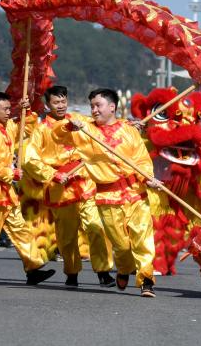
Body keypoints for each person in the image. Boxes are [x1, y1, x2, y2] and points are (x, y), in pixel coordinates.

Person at [55, 89, 159, 298]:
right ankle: (123, 267)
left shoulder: (128, 130)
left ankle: (146, 280)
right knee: (121, 244)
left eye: (98, 105)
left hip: (135, 193)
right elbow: (57, 134)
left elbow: (141, 159)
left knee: (143, 239)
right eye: (92, 106)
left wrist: (147, 177)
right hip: (107, 197)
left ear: (112, 107)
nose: (94, 110)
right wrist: (70, 126)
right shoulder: (85, 131)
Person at [22, 85, 114, 287]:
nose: (61, 106)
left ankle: (103, 271)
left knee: (95, 226)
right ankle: (72, 273)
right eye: (56, 102)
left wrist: (127, 125)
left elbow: (102, 127)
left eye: (63, 101)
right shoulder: (40, 130)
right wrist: (52, 174)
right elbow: (29, 160)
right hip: (60, 187)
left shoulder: (77, 121)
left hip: (83, 180)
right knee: (67, 235)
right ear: (48, 105)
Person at [0, 92, 55, 285]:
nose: (10, 112)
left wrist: (27, 110)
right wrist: (11, 174)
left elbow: (27, 128)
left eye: (10, 108)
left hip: (6, 189)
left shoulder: (8, 126)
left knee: (20, 228)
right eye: (6, 109)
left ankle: (33, 267)